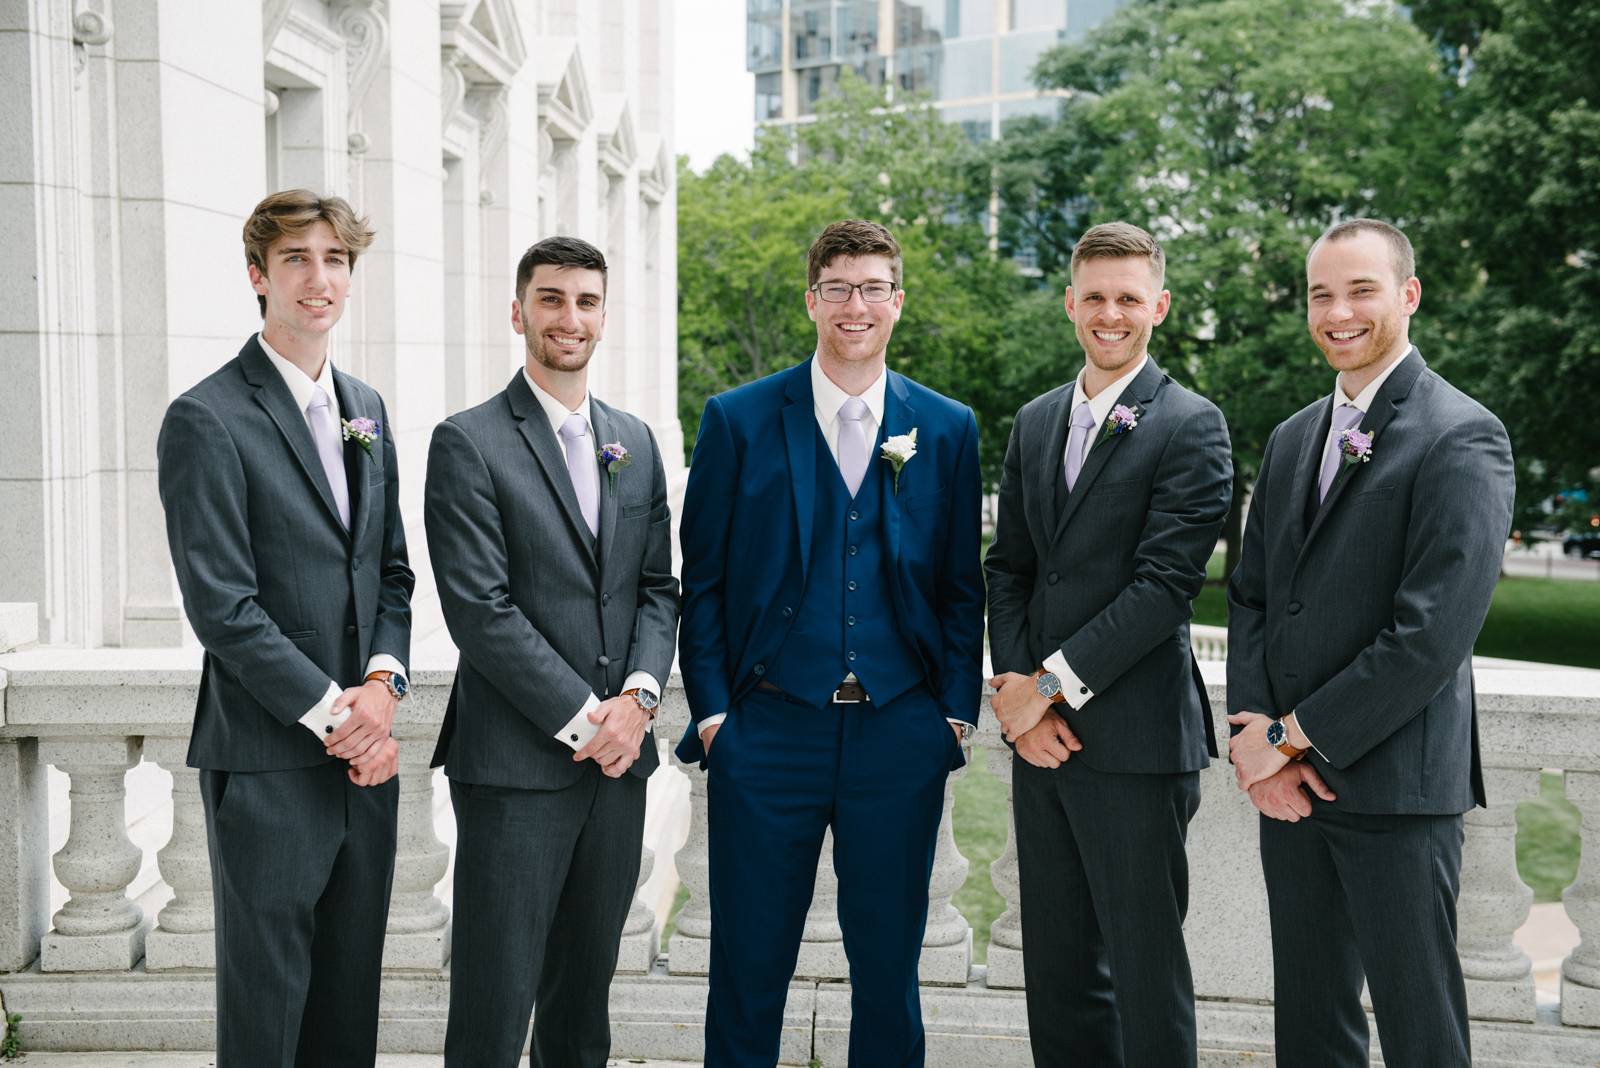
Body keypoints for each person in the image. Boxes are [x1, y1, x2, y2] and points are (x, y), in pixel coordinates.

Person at [676, 219, 984, 1067]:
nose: (857, 305)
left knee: (889, 975)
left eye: (874, 287)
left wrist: (953, 717)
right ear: (812, 300)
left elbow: (962, 587)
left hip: (899, 732)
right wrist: (715, 717)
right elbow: (703, 584)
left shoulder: (947, 427)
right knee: (748, 967)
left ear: (898, 302)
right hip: (769, 729)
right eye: (839, 287)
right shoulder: (737, 420)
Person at [1226, 218, 1515, 1066]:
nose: (1338, 312)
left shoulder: (1462, 434)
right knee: (1310, 1027)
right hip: (1290, 793)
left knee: (1421, 1032)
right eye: (1321, 294)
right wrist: (1259, 740)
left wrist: (1292, 736)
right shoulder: (1292, 437)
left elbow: (1430, 637)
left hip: (1397, 793)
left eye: (1361, 291)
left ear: (1409, 295)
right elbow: (1253, 597)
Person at [156, 188, 414, 1066]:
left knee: (347, 1009)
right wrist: (343, 720)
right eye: (297, 259)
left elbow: (391, 573)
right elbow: (222, 608)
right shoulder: (206, 417)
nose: (319, 278)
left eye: (335, 259)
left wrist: (382, 687)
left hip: (366, 764)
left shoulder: (366, 405)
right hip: (268, 761)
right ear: (258, 276)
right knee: (266, 1016)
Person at [424, 235, 678, 1067]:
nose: (571, 318)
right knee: (494, 1005)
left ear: (604, 316)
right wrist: (586, 721)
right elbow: (480, 610)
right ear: (518, 312)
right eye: (552, 299)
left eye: (587, 301)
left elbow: (656, 588)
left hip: (619, 770)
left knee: (582, 1003)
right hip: (514, 769)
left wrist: (638, 701)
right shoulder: (467, 441)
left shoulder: (634, 440)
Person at [984, 221, 1233, 1067]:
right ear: (1069, 303)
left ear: (1159, 307)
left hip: (1136, 743)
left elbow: (1164, 589)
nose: (1110, 313)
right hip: (1039, 743)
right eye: (1095, 297)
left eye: (1129, 298)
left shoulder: (1191, 424)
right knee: (1056, 971)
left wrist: (1045, 689)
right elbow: (1010, 567)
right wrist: (1016, 692)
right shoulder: (1035, 421)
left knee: (1144, 972)